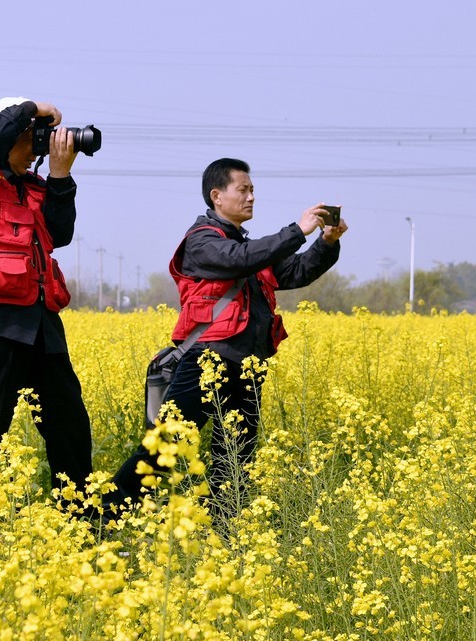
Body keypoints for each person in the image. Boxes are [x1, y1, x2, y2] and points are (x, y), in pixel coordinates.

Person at [107, 157, 347, 517]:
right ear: (217, 196)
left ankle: (226, 533)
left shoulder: (249, 246)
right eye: (243, 190)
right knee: (165, 447)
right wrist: (297, 231)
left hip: (248, 362)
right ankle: (104, 515)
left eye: (253, 190)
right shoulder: (202, 241)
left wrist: (326, 242)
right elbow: (239, 259)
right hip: (207, 358)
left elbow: (295, 271)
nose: (251, 197)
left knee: (236, 455)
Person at [0, 97, 92, 495]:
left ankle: (80, 514)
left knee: (69, 423)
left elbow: (59, 235)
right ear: (12, 133)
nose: (39, 147)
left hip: (39, 320)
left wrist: (60, 177)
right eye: (33, 138)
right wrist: (37, 107)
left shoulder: (34, 186)